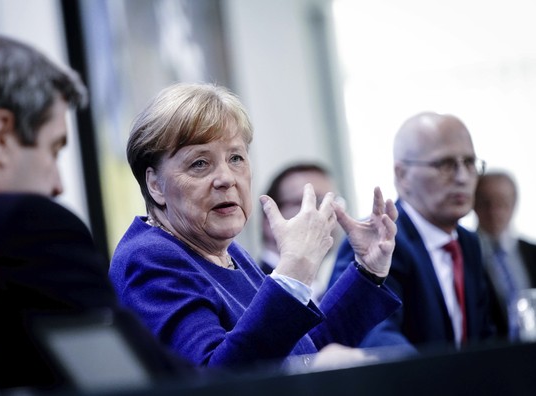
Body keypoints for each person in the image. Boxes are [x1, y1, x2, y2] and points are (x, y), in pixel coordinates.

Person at [109, 81, 402, 371]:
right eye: (200, 163)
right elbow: (216, 381)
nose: (226, 178)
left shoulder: (229, 254)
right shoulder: (150, 258)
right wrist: (294, 270)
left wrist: (367, 271)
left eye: (236, 158)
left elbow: (302, 351)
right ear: (155, 184)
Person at [0, 35, 191, 392]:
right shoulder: (26, 229)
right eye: (53, 150)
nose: (58, 184)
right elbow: (140, 381)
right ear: (0, 135)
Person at [329, 111, 495, 353]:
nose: (462, 177)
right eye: (445, 164)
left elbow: (484, 337)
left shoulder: (469, 243)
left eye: (469, 163)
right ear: (402, 175)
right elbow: (373, 336)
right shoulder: (377, 242)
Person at [259, 162, 345, 302]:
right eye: (310, 202)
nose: (326, 212)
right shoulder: (253, 292)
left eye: (333, 202)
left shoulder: (324, 291)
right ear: (269, 219)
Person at [474, 170, 536, 337]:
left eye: (502, 203)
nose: (494, 211)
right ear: (473, 204)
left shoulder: (532, 252)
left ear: (514, 204)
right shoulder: (465, 255)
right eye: (485, 203)